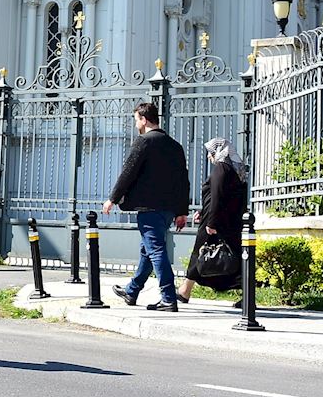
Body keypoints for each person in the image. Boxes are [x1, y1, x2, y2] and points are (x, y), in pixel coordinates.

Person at [103, 101, 190, 311]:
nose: (136, 125)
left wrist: (113, 198)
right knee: (148, 250)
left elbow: (128, 172)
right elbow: (183, 181)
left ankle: (168, 297)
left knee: (156, 250)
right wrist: (181, 211)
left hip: (149, 208)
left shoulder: (144, 141)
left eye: (136, 120)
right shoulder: (175, 145)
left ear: (144, 119)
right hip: (168, 209)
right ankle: (132, 291)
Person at [176, 137, 247, 306]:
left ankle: (185, 291)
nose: (209, 157)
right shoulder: (234, 169)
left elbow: (217, 196)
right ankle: (247, 295)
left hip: (215, 221)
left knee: (199, 254)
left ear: (218, 152)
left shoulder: (221, 169)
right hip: (227, 220)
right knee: (234, 257)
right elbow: (224, 197)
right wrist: (202, 210)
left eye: (211, 153)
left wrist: (211, 223)